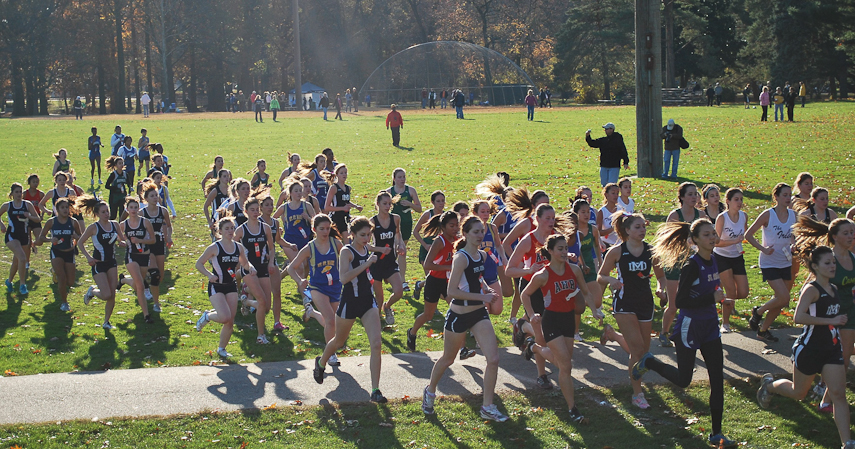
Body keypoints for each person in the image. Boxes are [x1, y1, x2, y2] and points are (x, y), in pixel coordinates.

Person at [634, 218, 737, 448]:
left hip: (710, 327)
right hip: (690, 327)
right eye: (707, 235)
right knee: (684, 380)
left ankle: (717, 433)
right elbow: (680, 302)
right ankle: (649, 362)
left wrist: (719, 298)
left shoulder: (715, 260)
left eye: (713, 233)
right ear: (695, 240)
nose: (712, 237)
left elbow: (709, 290)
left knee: (717, 379)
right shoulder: (691, 265)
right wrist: (710, 298)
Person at [755, 245, 855, 449]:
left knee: (838, 394)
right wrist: (831, 320)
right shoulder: (811, 290)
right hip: (809, 349)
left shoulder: (834, 289)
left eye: (833, 262)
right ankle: (769, 386)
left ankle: (847, 443)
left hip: (831, 350)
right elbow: (798, 317)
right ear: (815, 266)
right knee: (798, 393)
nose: (833, 266)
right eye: (827, 263)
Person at [421, 216, 508, 423]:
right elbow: (452, 291)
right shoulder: (460, 258)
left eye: (482, 231)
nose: (480, 235)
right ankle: (430, 391)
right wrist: (483, 297)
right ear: (465, 234)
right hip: (459, 315)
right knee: (448, 359)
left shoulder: (482, 256)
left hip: (479, 314)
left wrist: (486, 289)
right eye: (476, 232)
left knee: (493, 359)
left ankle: (487, 406)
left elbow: (477, 278)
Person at [521, 234, 601, 423]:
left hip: (568, 319)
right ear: (550, 251)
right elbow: (525, 294)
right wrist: (532, 314)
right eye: (560, 249)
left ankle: (534, 347)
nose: (565, 252)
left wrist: (594, 310)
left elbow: (586, 292)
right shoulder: (543, 275)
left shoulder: (574, 270)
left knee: (562, 362)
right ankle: (573, 408)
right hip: (552, 320)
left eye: (566, 248)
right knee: (566, 365)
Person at [313, 216, 388, 403]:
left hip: (367, 302)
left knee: (376, 344)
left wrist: (382, 250)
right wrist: (367, 264)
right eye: (362, 235)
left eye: (369, 235)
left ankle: (375, 390)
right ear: (352, 234)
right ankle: (321, 363)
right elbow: (344, 278)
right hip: (349, 302)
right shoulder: (347, 251)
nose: (366, 238)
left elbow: (371, 250)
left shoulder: (366, 247)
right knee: (338, 341)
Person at [597, 212, 664, 409]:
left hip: (645, 303)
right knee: (637, 350)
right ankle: (637, 394)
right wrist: (611, 280)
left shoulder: (651, 251)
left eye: (644, 226)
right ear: (627, 230)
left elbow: (660, 276)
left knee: (644, 351)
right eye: (638, 227)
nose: (642, 230)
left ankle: (613, 335)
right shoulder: (617, 252)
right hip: (624, 303)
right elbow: (601, 276)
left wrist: (661, 289)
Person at [195, 217, 257, 359]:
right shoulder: (214, 247)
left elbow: (245, 263)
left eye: (232, 228)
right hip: (216, 286)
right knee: (224, 317)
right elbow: (199, 263)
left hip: (231, 286)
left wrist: (251, 268)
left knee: (230, 320)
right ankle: (207, 316)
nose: (230, 231)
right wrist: (209, 275)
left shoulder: (238, 247)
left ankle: (221, 349)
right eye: (227, 228)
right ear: (220, 231)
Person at [288, 215, 344, 367]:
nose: (325, 232)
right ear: (314, 229)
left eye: (327, 228)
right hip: (318, 288)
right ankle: (331, 354)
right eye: (322, 229)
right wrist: (300, 280)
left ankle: (311, 313)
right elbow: (291, 268)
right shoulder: (310, 248)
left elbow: (349, 258)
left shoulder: (336, 244)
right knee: (330, 320)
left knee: (334, 322)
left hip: (335, 287)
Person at [746, 183, 796, 342]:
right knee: (784, 297)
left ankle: (763, 330)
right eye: (785, 195)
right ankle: (758, 312)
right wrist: (763, 249)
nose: (788, 198)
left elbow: (794, 236)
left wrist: (795, 244)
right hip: (769, 262)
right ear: (776, 197)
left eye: (790, 195)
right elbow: (748, 235)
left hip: (786, 261)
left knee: (780, 301)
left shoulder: (794, 215)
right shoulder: (768, 215)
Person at [407, 211, 458, 352]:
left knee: (457, 310)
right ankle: (412, 332)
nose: (455, 228)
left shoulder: (458, 240)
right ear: (443, 227)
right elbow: (427, 265)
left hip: (449, 282)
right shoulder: (439, 242)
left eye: (457, 225)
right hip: (434, 281)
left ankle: (461, 347)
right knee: (428, 315)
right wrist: (449, 267)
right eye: (451, 225)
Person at [660, 182, 703, 347]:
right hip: (675, 263)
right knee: (674, 305)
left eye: (695, 194)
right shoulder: (675, 216)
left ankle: (691, 332)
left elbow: (708, 236)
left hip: (694, 264)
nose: (694, 197)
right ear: (682, 197)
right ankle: (664, 333)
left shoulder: (701, 215)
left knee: (694, 301)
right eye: (690, 194)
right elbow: (667, 241)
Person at [233, 195, 275, 344]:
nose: (255, 212)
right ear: (246, 211)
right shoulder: (241, 230)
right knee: (262, 301)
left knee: (267, 307)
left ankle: (246, 301)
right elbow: (233, 248)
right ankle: (260, 336)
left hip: (263, 267)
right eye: (252, 210)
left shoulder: (265, 228)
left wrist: (271, 263)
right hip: (248, 269)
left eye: (257, 209)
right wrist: (244, 264)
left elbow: (271, 248)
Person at [76, 195, 123, 329]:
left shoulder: (114, 224)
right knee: (106, 294)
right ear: (97, 214)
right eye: (103, 212)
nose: (106, 214)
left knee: (112, 294)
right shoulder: (93, 227)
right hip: (99, 264)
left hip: (111, 262)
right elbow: (80, 243)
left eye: (107, 211)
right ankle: (92, 292)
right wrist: (88, 258)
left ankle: (106, 322)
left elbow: (121, 239)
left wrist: (122, 242)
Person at [35, 197, 81, 311]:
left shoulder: (73, 222)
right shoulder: (51, 222)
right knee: (62, 278)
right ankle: (64, 303)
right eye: (62, 207)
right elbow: (41, 237)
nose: (65, 209)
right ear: (57, 209)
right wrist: (50, 239)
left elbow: (81, 237)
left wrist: (76, 237)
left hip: (69, 252)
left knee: (70, 282)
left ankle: (55, 273)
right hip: (56, 252)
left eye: (67, 207)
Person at [713, 188, 749, 333]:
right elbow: (715, 242)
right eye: (736, 199)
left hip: (737, 256)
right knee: (731, 292)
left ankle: (719, 299)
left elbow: (745, 234)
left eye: (741, 199)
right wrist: (734, 241)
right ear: (728, 201)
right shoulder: (722, 218)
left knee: (744, 292)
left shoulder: (744, 216)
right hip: (721, 257)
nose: (739, 202)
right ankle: (725, 324)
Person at [117, 197, 157, 324]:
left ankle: (123, 280)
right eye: (131, 208)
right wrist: (122, 242)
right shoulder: (123, 224)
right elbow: (118, 237)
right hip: (131, 256)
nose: (133, 210)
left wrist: (140, 240)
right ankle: (146, 315)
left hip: (144, 256)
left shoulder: (145, 222)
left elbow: (153, 240)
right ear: (127, 209)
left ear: (139, 209)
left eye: (135, 207)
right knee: (140, 285)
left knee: (137, 284)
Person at [371, 192, 404, 325]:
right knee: (379, 297)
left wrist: (400, 245)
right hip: (377, 263)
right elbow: (366, 245)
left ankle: (387, 306)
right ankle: (377, 319)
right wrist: (380, 249)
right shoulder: (372, 222)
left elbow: (398, 234)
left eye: (390, 204)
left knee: (399, 292)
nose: (388, 206)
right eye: (384, 204)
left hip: (390, 262)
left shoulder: (395, 218)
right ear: (378, 204)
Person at [1, 183, 40, 295]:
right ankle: (22, 285)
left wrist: (29, 216)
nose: (19, 194)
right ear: (12, 193)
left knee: (16, 261)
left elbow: (37, 219)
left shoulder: (27, 204)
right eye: (16, 192)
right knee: (22, 258)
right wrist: (2, 225)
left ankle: (9, 281)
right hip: (12, 236)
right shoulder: (7, 205)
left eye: (20, 192)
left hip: (24, 236)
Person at [387, 168, 422, 293]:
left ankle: (392, 277)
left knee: (398, 251)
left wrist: (410, 204)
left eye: (404, 177)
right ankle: (402, 281)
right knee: (401, 251)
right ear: (394, 178)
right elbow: (381, 207)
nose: (402, 179)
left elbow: (419, 209)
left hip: (407, 224)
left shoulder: (410, 190)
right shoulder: (389, 192)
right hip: (394, 225)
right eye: (400, 177)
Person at [585, 123, 630, 187]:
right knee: (604, 184)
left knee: (612, 184)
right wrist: (588, 136)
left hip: (614, 166)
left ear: (612, 129)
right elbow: (593, 143)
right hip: (604, 165)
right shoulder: (603, 140)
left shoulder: (618, 140)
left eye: (607, 129)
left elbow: (623, 151)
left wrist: (626, 162)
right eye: (605, 129)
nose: (605, 130)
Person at [104, 156, 128, 221]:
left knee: (122, 215)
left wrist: (128, 192)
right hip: (114, 197)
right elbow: (106, 186)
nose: (121, 165)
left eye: (122, 163)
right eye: (119, 163)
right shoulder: (113, 174)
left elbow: (129, 184)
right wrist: (115, 188)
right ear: (116, 165)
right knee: (113, 215)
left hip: (122, 197)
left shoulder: (125, 174)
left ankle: (121, 226)